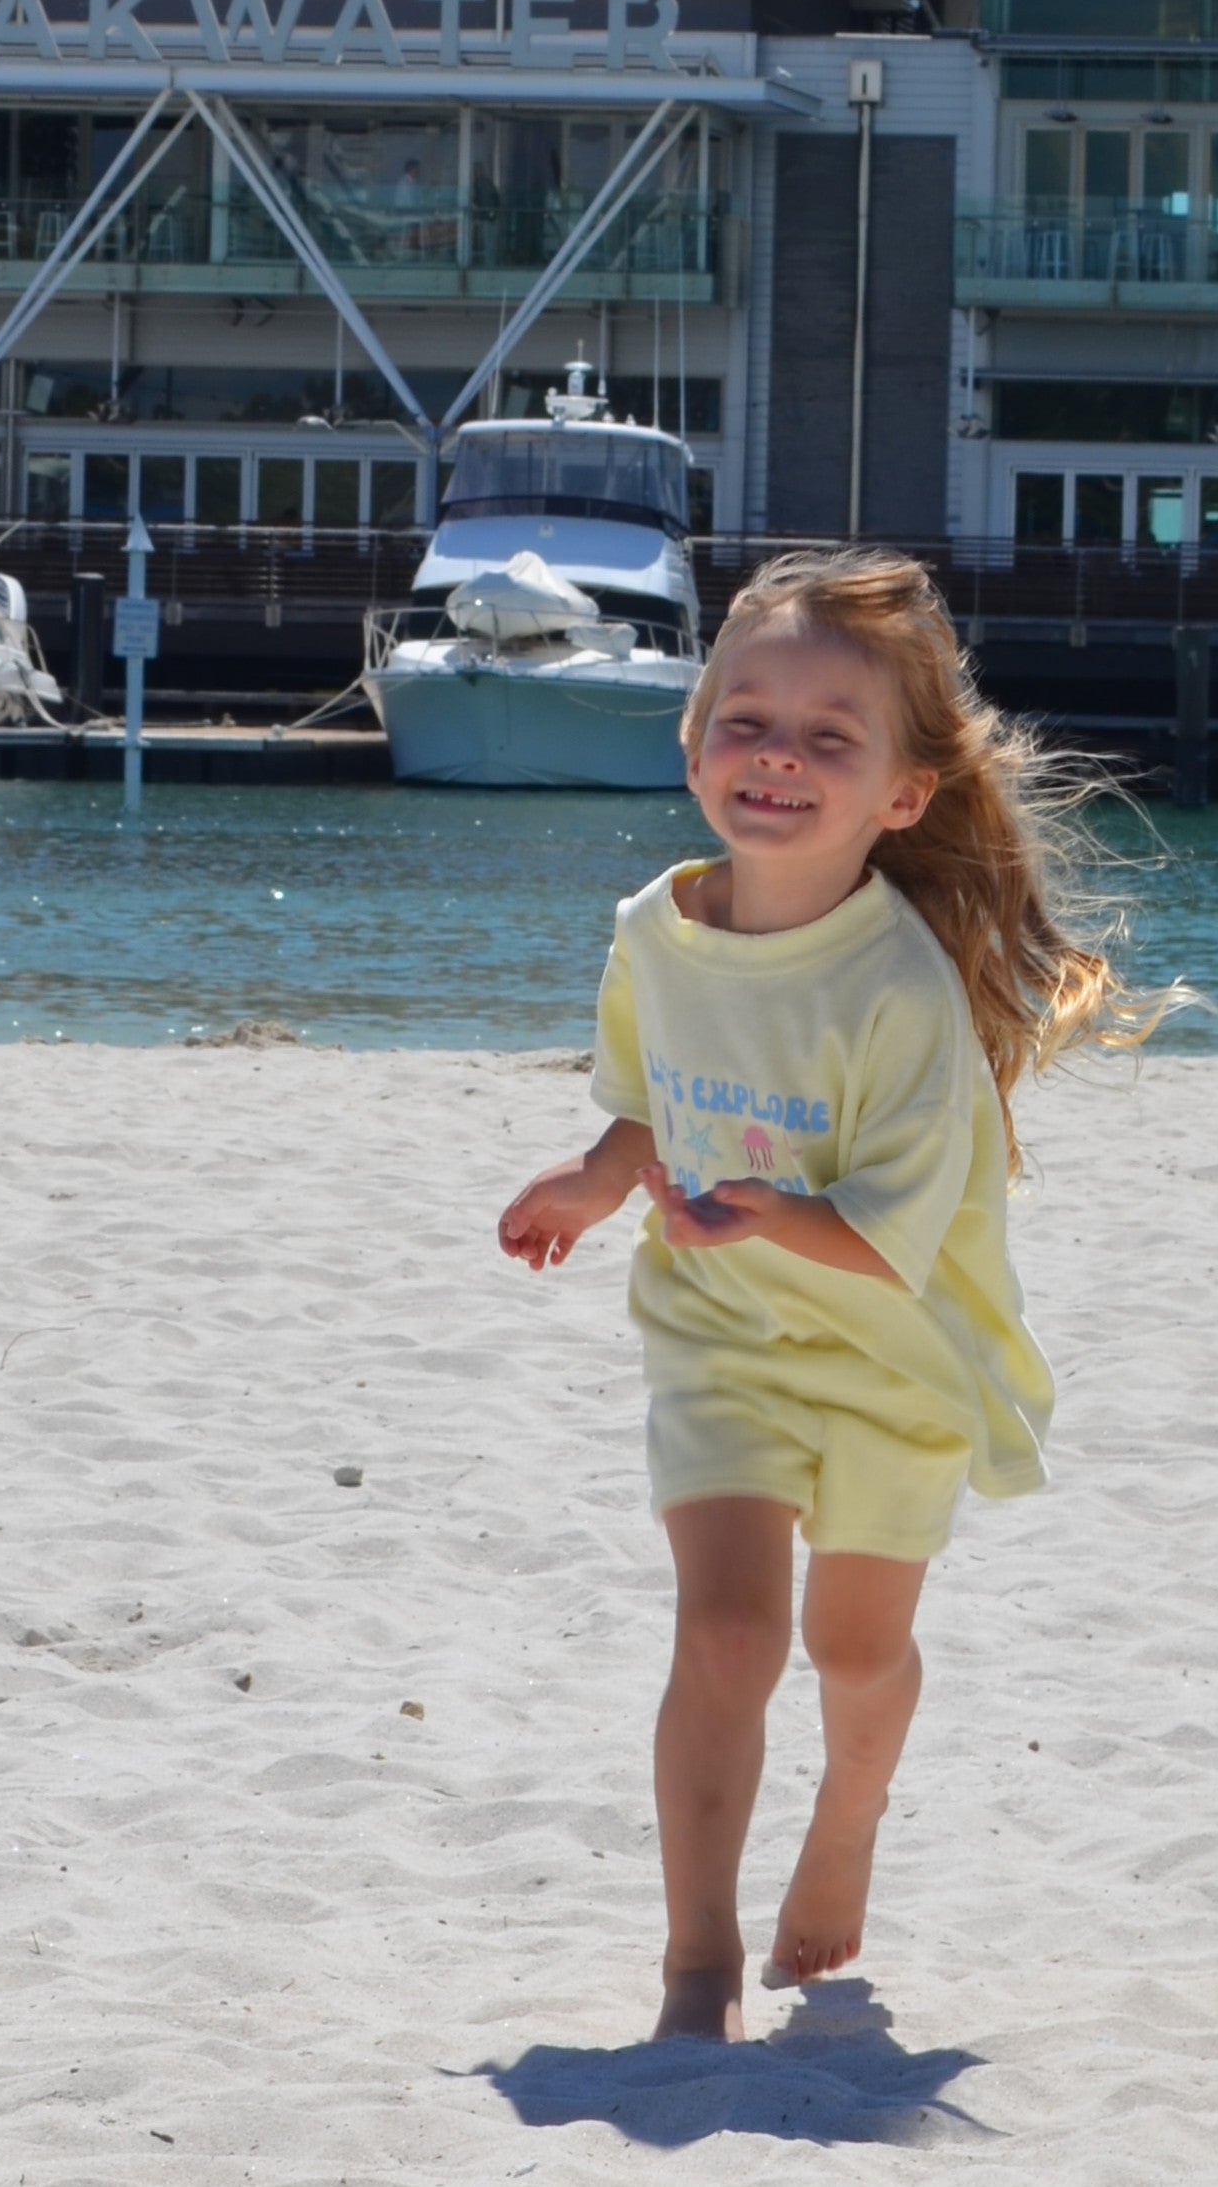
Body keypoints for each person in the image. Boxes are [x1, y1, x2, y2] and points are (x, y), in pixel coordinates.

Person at [498, 549, 1180, 2043]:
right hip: (724, 1343)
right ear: (690, 745)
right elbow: (650, 1096)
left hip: (892, 1357)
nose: (778, 758)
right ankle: (695, 1964)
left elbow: (891, 1237)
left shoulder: (901, 993)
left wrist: (760, 1208)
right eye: (747, 720)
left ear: (902, 794)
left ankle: (851, 1815)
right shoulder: (652, 933)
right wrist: (601, 1177)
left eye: (830, 736)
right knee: (729, 1639)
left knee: (854, 1651)